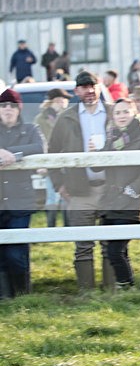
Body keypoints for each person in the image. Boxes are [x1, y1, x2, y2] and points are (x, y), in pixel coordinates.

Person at [48, 71, 114, 291]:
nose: (89, 90)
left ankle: (113, 292)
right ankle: (87, 293)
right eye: (84, 87)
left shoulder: (115, 113)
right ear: (76, 91)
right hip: (79, 190)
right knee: (83, 244)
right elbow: (53, 152)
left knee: (111, 243)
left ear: (100, 86)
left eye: (93, 85)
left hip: (110, 189)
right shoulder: (66, 118)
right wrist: (59, 186)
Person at [95, 98, 140, 289]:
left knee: (115, 251)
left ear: (134, 114)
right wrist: (93, 153)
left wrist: (134, 189)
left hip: (130, 202)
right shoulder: (111, 139)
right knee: (118, 249)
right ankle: (127, 288)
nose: (121, 116)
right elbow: (96, 167)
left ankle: (126, 285)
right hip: (110, 202)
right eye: (117, 112)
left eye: (125, 112)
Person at [0, 89, 46, 298]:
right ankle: (4, 296)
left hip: (19, 199)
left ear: (19, 109)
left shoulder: (31, 129)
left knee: (16, 251)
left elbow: (39, 147)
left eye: (11, 106)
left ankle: (22, 295)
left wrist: (13, 155)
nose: (7, 110)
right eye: (3, 106)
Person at [33, 88, 71, 227]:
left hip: (66, 160)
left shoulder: (68, 116)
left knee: (67, 193)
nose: (64, 102)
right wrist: (41, 163)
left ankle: (68, 227)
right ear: (54, 101)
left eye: (65, 100)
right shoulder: (41, 119)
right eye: (61, 99)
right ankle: (51, 227)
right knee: (52, 194)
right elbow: (39, 142)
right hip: (49, 161)